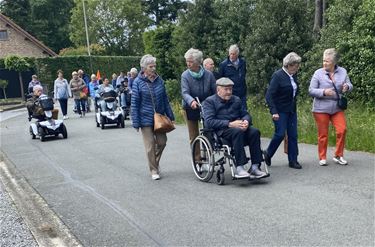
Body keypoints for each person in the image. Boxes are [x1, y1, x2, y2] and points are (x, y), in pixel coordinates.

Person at [203, 77, 267, 178]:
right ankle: (240, 168)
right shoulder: (209, 102)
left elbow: (245, 114)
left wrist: (246, 121)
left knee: (254, 132)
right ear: (218, 90)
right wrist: (229, 124)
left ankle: (255, 167)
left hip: (239, 128)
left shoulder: (236, 99)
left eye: (230, 89)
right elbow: (209, 122)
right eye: (226, 89)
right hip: (222, 131)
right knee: (237, 132)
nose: (229, 92)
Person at [131, 54, 175, 180]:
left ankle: (154, 162)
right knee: (150, 145)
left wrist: (170, 115)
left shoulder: (159, 80)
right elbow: (135, 103)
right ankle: (154, 170)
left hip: (159, 118)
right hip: (145, 119)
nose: (153, 69)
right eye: (151, 67)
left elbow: (165, 100)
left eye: (154, 66)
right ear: (144, 68)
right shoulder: (138, 83)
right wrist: (136, 122)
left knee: (162, 142)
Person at [309, 48, 353, 166]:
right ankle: (322, 157)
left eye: (327, 61)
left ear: (334, 62)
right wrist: (323, 92)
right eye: (324, 61)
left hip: (337, 107)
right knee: (323, 134)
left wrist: (347, 87)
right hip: (321, 108)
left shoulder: (343, 71)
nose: (324, 63)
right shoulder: (318, 73)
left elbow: (350, 84)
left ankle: (338, 155)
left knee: (342, 129)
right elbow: (311, 90)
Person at [264, 52, 302, 169]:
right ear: (289, 65)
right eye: (295, 65)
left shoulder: (293, 75)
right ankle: (268, 153)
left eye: (297, 65)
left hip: (291, 110)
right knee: (280, 134)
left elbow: (294, 92)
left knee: (293, 135)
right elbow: (269, 95)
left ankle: (293, 160)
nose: (297, 67)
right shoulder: (278, 76)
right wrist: (273, 111)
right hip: (280, 110)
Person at [181, 48, 216, 162]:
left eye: (190, 61)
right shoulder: (185, 75)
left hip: (206, 105)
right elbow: (185, 92)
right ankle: (197, 159)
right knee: (194, 134)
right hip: (191, 105)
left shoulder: (209, 75)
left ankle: (209, 155)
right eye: (187, 61)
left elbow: (214, 91)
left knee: (208, 131)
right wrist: (191, 101)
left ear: (197, 62)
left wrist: (213, 102)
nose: (188, 63)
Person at [218, 44, 247, 109]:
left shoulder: (243, 62)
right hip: (230, 92)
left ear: (237, 54)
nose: (231, 56)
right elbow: (220, 79)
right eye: (230, 54)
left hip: (242, 92)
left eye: (233, 54)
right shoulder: (223, 65)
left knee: (243, 110)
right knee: (232, 111)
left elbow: (244, 74)